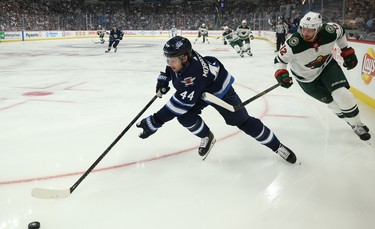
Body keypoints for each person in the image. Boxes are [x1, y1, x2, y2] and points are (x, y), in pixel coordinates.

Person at [136, 36, 297, 164]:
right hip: (202, 89)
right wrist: (164, 78)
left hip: (220, 91)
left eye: (172, 60)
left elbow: (176, 106)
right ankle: (207, 136)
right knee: (185, 117)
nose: (169, 63)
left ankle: (277, 146)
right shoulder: (184, 58)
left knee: (243, 122)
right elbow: (172, 68)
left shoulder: (193, 75)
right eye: (168, 59)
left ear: (184, 58)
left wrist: (154, 121)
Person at [274, 11, 371, 141]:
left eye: (310, 30)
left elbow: (341, 32)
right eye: (303, 29)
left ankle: (357, 124)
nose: (305, 33)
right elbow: (279, 60)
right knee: (333, 104)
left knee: (342, 95)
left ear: (318, 29)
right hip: (306, 79)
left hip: (326, 67)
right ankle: (351, 121)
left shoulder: (330, 30)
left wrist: (346, 50)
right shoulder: (293, 44)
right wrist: (281, 74)